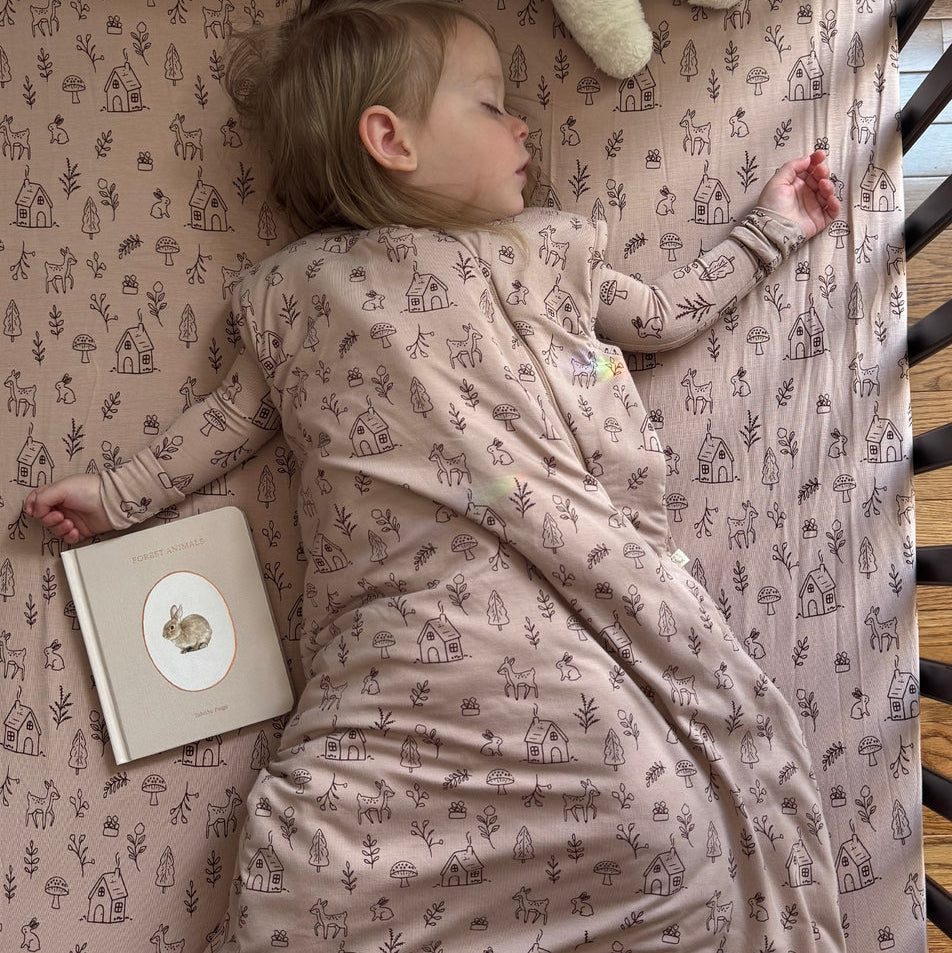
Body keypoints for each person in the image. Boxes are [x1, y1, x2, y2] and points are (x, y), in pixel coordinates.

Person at [26, 1, 843, 950]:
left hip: (554, 613)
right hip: (399, 627)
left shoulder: (545, 249)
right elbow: (230, 420)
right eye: (492, 105)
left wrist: (770, 228)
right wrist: (117, 494)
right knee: (310, 868)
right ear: (391, 140)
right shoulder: (299, 289)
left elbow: (661, 317)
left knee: (651, 814)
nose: (525, 125)